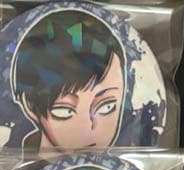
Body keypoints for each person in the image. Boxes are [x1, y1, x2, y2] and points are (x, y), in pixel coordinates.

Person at [13, 9, 125, 161]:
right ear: (29, 106)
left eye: (107, 106)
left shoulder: (128, 159)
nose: (88, 129)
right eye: (64, 110)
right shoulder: (9, 167)